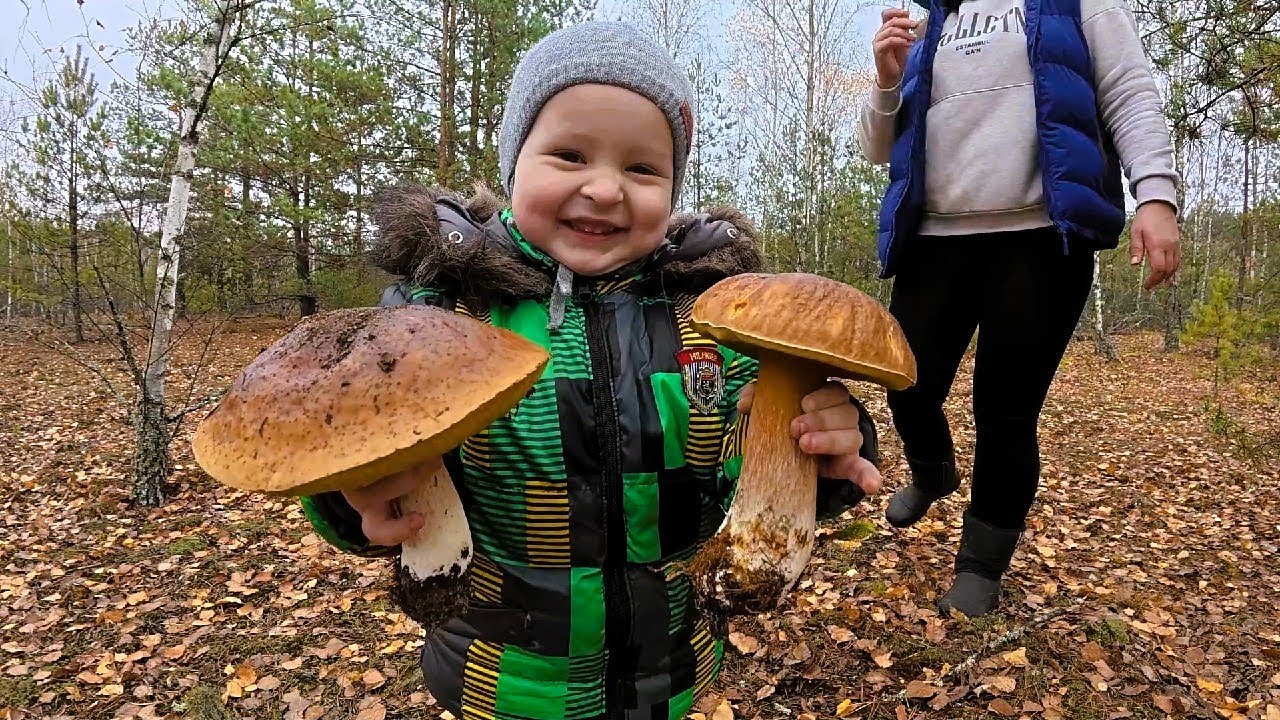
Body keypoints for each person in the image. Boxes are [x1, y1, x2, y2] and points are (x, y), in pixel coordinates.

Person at [299, 21, 883, 720]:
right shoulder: (437, 321)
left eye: (643, 169)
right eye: (569, 155)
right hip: (500, 675)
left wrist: (824, 455)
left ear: (674, 187)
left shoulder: (716, 323)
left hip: (667, 673)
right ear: (515, 162)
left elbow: (744, 473)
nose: (606, 190)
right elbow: (348, 456)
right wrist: (351, 500)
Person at [857, 0, 1182, 617]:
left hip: (1039, 240)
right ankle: (932, 471)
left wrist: (1156, 195)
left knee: (1004, 411)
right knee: (905, 383)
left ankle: (980, 564)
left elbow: (1129, 91)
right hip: (935, 239)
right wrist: (888, 78)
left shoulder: (1077, 4)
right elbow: (880, 151)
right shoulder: (932, 20)